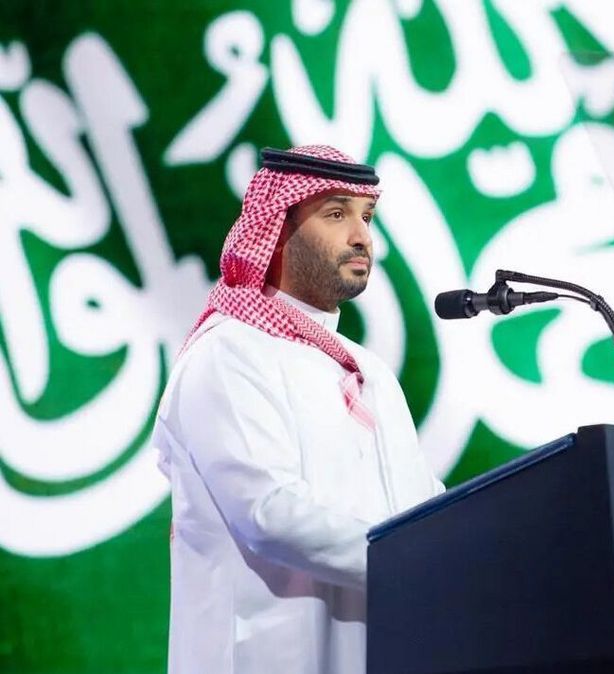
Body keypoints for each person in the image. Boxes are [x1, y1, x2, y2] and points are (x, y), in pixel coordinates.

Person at [152, 145, 445, 674]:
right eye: (336, 214)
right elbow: (268, 514)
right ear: (278, 231)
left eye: (367, 217)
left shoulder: (369, 372)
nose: (362, 236)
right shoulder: (228, 353)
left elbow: (425, 507)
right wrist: (417, 559)